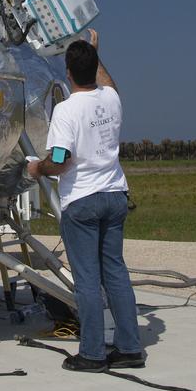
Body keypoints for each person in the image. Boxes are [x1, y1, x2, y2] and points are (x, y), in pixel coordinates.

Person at [27, 30, 143, 372]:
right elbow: (108, 82)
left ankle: (92, 353)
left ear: (67, 72)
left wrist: (37, 168)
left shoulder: (66, 111)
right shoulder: (111, 99)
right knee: (116, 273)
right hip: (115, 195)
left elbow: (60, 160)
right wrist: (95, 51)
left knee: (88, 280)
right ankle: (130, 348)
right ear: (95, 69)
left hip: (83, 201)